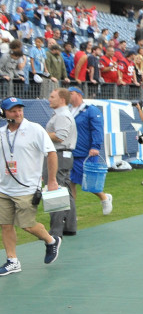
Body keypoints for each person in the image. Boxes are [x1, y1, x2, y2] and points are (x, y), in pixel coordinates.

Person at [0, 97, 62, 276]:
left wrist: (52, 181)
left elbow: (51, 153)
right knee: (5, 225)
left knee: (26, 225)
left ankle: (51, 240)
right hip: (4, 188)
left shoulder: (35, 129)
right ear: (5, 113)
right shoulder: (2, 132)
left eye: (20, 109)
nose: (18, 113)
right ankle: (12, 260)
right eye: (13, 110)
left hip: (27, 188)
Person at [68, 86, 113, 220]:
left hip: (86, 153)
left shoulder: (90, 110)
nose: (68, 96)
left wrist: (95, 146)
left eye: (71, 93)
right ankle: (72, 213)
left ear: (79, 95)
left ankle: (104, 198)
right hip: (71, 152)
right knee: (70, 182)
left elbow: (97, 129)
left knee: (88, 182)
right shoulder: (69, 111)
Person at [44, 88, 77, 240]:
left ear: (62, 99)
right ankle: (69, 226)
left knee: (55, 189)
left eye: (52, 96)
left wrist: (41, 134)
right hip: (63, 155)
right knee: (65, 189)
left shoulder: (62, 116)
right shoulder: (62, 115)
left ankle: (56, 231)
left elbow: (60, 136)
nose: (49, 99)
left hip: (58, 155)